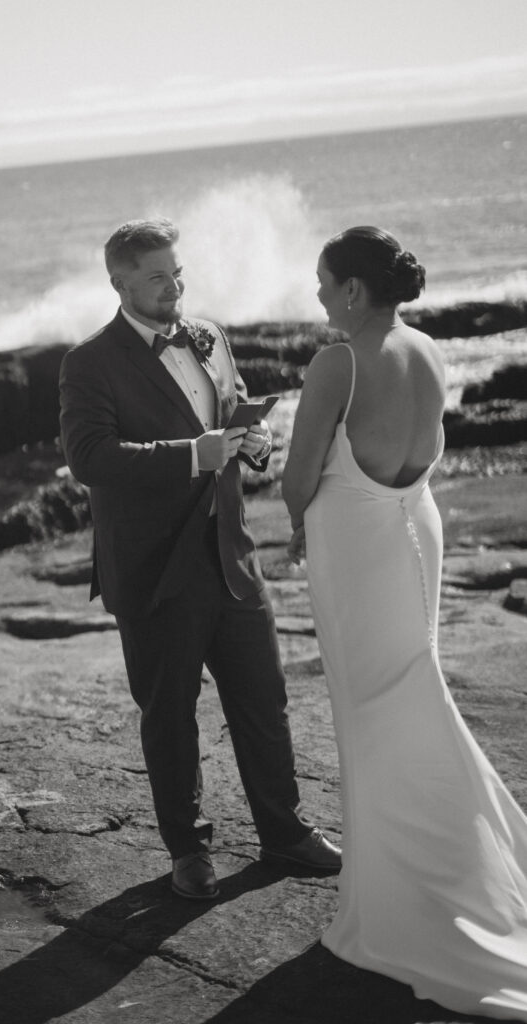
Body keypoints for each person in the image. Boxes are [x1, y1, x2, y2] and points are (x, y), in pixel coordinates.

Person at [282, 225, 527, 1020]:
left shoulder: (335, 363)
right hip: (413, 525)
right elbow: (425, 445)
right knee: (413, 689)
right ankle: (453, 862)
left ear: (353, 290)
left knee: (369, 704)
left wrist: (279, 502)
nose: (316, 295)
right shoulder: (427, 348)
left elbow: (295, 479)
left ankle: (397, 901)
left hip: (355, 540)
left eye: (323, 282)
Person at [59, 217, 341, 900]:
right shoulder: (88, 363)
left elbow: (235, 407)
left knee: (263, 699)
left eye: (176, 273)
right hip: (155, 570)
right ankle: (188, 850)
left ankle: (284, 832)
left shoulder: (210, 334)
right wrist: (191, 455)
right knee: (169, 714)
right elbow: (88, 459)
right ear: (120, 283)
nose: (173, 287)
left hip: (230, 553)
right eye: (157, 277)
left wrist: (255, 442)